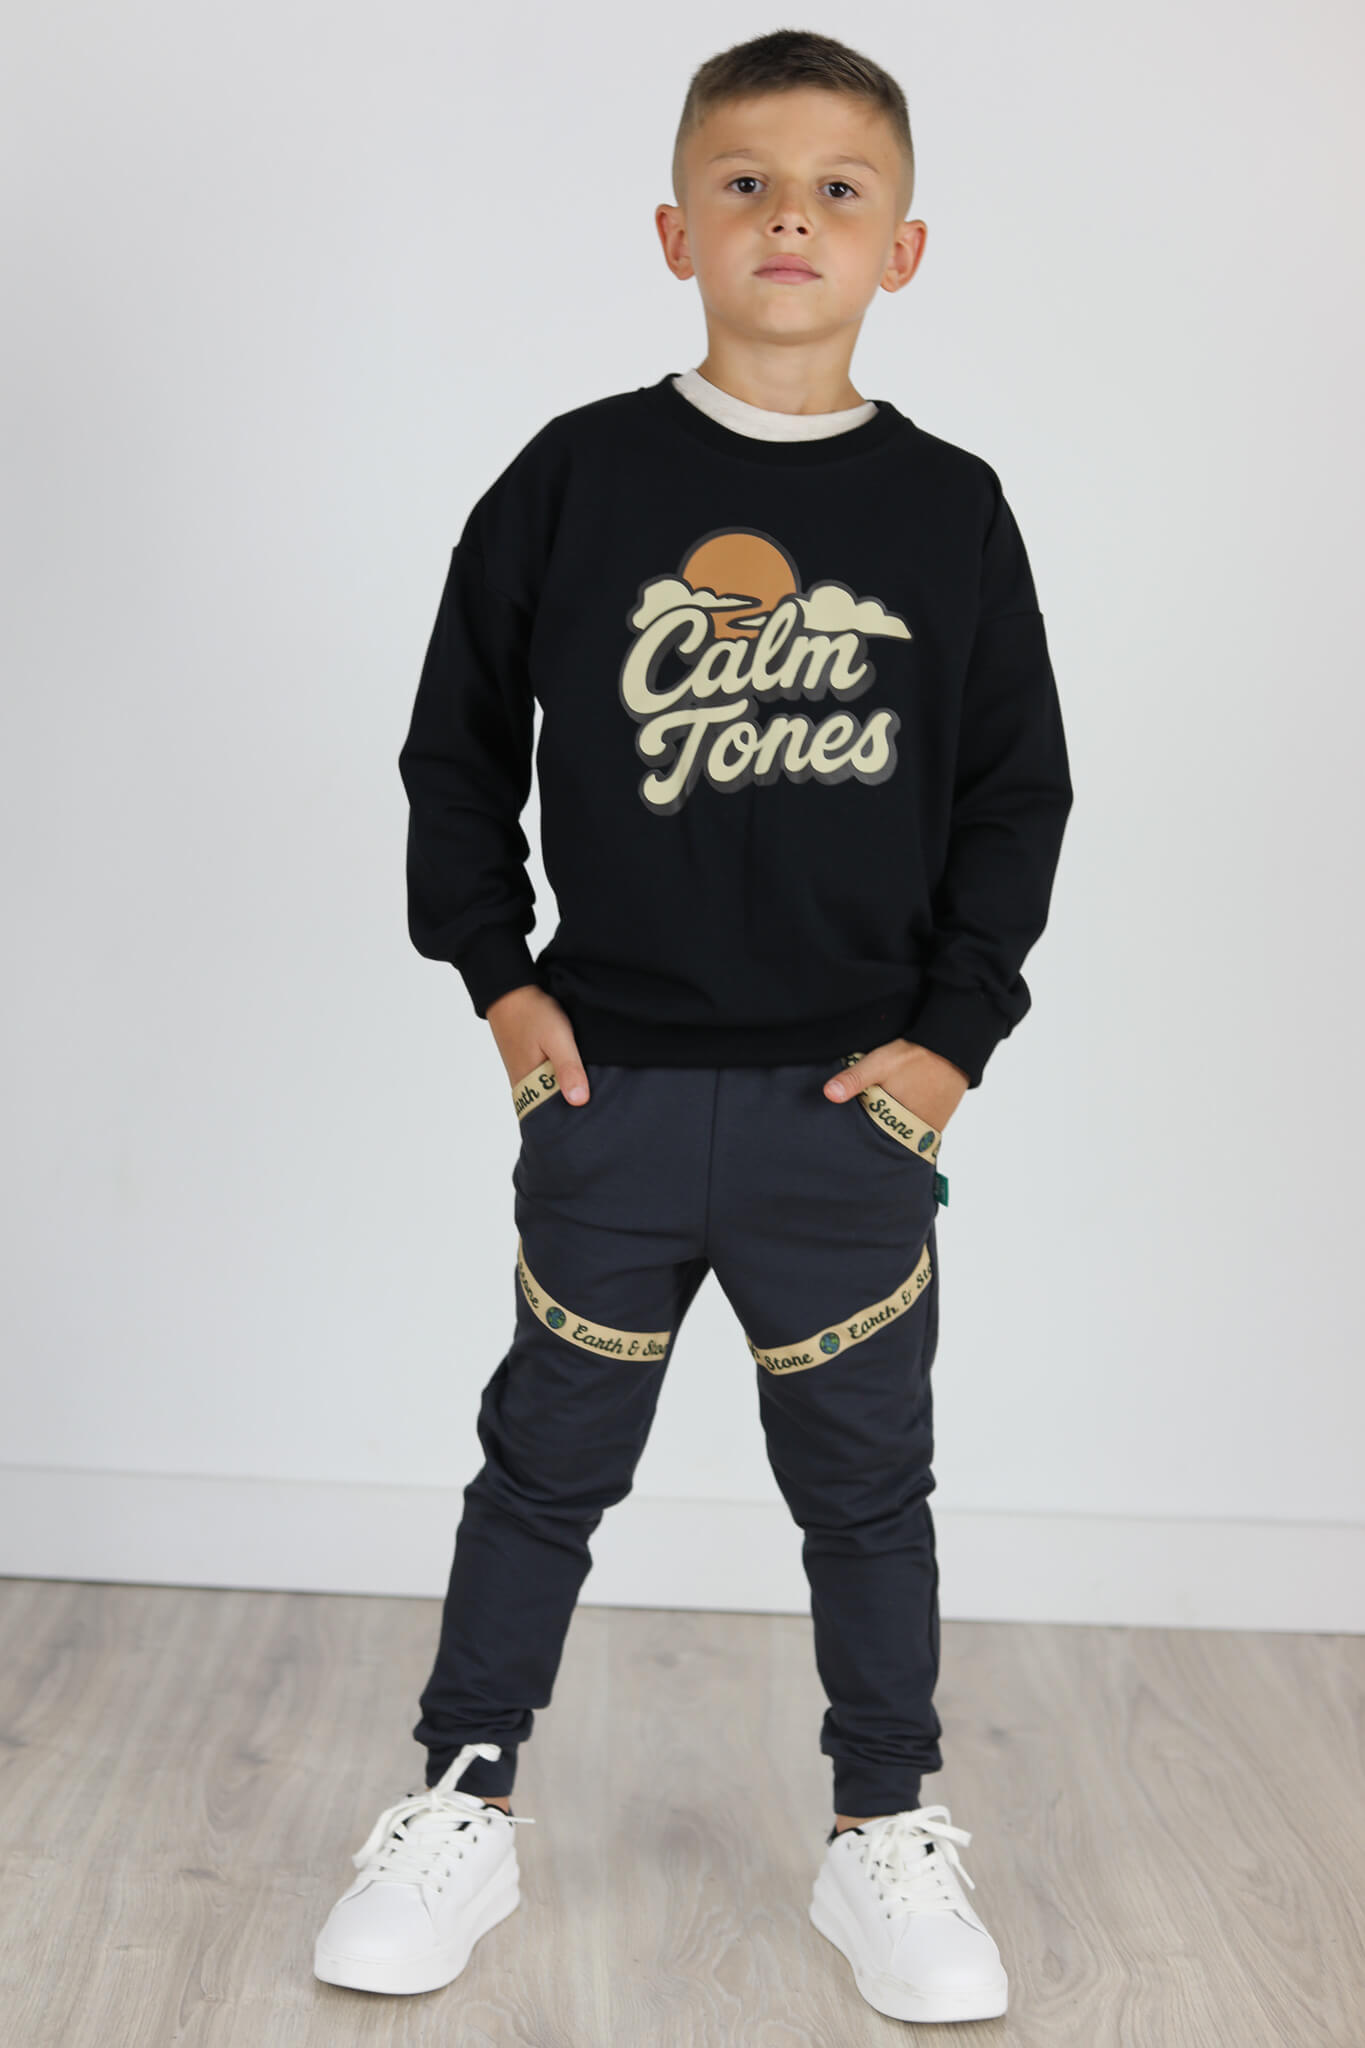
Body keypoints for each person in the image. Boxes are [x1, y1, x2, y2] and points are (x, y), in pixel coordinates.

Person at [314, 27, 1072, 2027]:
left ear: (902, 247)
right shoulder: (575, 477)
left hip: (850, 1110)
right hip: (616, 1090)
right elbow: (452, 750)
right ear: (674, 230)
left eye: (836, 188)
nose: (788, 216)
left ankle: (882, 1829)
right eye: (744, 182)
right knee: (541, 1467)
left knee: (865, 1490)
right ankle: (461, 1798)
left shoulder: (950, 509)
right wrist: (498, 981)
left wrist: (950, 1043)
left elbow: (1014, 794)